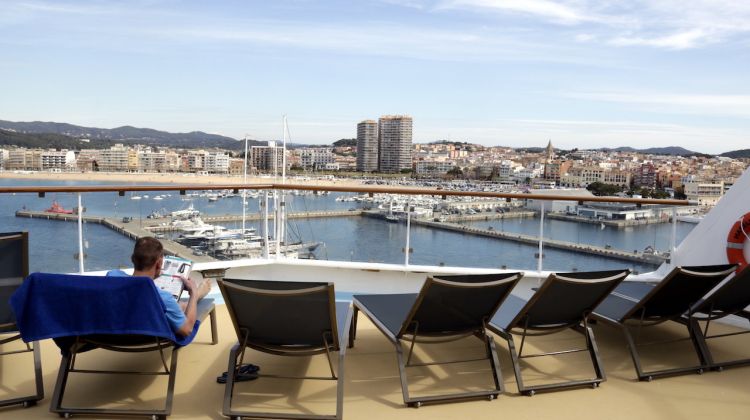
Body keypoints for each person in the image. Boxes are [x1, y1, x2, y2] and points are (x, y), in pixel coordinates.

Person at [131, 237, 210, 337]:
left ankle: (185, 303)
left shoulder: (114, 276)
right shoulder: (163, 297)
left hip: (117, 336)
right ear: (159, 264)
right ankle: (197, 295)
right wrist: (193, 292)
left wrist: (154, 276)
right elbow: (187, 330)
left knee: (176, 306)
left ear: (133, 259)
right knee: (171, 305)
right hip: (149, 337)